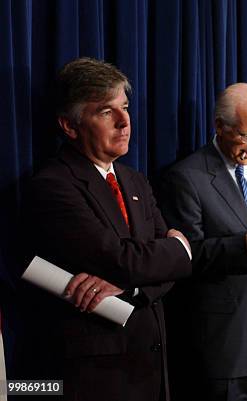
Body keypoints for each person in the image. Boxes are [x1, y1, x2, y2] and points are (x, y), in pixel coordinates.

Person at [22, 57, 193, 401]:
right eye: (105, 112)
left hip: (153, 368)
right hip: (98, 378)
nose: (124, 121)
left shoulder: (134, 180)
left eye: (125, 107)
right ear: (70, 126)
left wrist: (134, 290)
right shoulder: (54, 185)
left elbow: (171, 270)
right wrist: (179, 248)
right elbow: (122, 261)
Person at [159, 83, 247, 401]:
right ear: (219, 126)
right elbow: (185, 257)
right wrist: (245, 244)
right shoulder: (187, 177)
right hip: (225, 347)